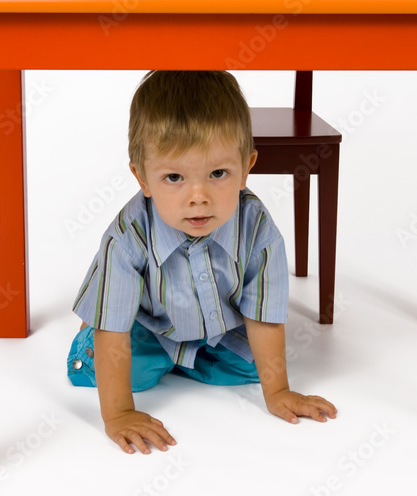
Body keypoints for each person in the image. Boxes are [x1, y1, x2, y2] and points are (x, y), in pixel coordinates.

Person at [68, 70, 337, 454]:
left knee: (254, 368)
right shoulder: (127, 238)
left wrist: (277, 391)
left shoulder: (258, 228)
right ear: (142, 178)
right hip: (147, 327)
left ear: (246, 168)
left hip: (217, 329)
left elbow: (263, 314)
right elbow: (115, 331)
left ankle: (189, 358)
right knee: (129, 374)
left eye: (218, 173)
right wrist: (120, 413)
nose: (198, 196)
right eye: (174, 177)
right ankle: (91, 329)